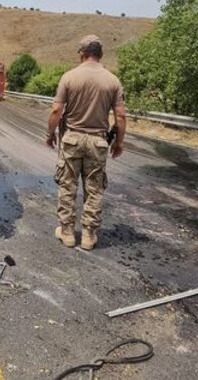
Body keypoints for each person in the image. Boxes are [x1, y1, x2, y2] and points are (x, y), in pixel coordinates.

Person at [46, 35, 127, 251]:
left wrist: (50, 134)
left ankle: (67, 232)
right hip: (98, 141)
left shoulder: (69, 77)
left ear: (82, 53)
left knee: (68, 185)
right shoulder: (113, 81)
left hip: (72, 139)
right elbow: (121, 116)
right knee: (94, 188)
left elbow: (56, 110)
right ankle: (89, 235)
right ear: (101, 54)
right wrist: (119, 142)